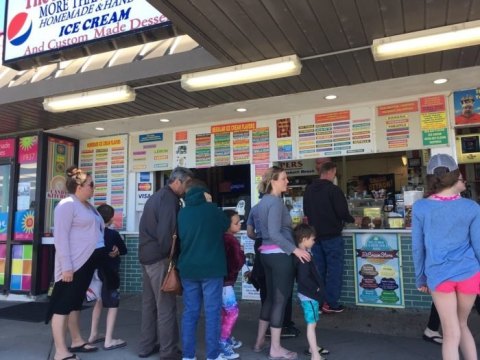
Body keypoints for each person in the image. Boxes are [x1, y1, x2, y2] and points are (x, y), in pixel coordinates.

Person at [412, 153, 480, 360]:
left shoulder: (420, 207)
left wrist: (420, 277)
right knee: (462, 325)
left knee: (451, 334)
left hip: (439, 275)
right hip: (469, 273)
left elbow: (418, 247)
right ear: (456, 175)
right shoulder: (472, 207)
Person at [46, 166, 105, 360]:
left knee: (74, 305)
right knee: (62, 306)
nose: (93, 188)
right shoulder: (67, 204)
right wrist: (67, 267)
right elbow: (60, 238)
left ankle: (77, 340)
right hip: (73, 265)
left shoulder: (87, 205)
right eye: (90, 184)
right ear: (79, 186)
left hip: (86, 264)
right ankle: (61, 352)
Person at [252, 166, 310, 360]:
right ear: (273, 181)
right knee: (280, 301)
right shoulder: (276, 203)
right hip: (279, 257)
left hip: (266, 255)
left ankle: (260, 341)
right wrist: (296, 250)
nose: (287, 181)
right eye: (284, 178)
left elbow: (267, 232)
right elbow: (276, 233)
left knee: (269, 299)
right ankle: (275, 348)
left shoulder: (262, 203)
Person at [138, 167, 193, 359]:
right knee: (166, 307)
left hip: (146, 257)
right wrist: (171, 258)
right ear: (177, 182)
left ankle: (146, 346)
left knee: (149, 305)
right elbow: (166, 234)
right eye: (186, 184)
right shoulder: (170, 200)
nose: (187, 189)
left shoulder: (156, 196)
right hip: (160, 259)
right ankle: (168, 351)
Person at [177, 180, 231, 360]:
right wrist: (211, 204)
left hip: (188, 269)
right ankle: (213, 355)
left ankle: (188, 355)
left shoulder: (182, 213)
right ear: (205, 193)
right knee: (212, 312)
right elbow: (226, 225)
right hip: (211, 269)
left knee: (190, 312)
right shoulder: (211, 210)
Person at [303, 161, 354, 313]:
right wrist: (352, 220)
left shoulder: (309, 190)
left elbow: (306, 211)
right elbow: (343, 213)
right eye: (334, 173)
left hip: (315, 238)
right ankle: (331, 303)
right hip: (332, 237)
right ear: (331, 172)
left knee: (319, 271)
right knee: (334, 270)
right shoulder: (334, 190)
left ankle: (318, 303)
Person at [247, 202, 300, 338]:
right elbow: (279, 232)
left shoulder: (255, 209)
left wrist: (260, 237)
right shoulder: (279, 207)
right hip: (279, 248)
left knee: (266, 289)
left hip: (262, 247)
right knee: (283, 291)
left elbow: (249, 233)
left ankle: (265, 331)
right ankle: (283, 325)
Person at [88, 204, 128, 351]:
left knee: (99, 301)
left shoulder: (91, 232)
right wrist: (117, 251)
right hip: (110, 273)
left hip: (95, 273)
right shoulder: (113, 234)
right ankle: (109, 340)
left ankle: (93, 335)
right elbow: (124, 250)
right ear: (111, 219)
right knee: (112, 305)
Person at [293, 224, 330, 360]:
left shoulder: (304, 254)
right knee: (311, 324)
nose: (314, 241)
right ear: (304, 239)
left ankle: (312, 347)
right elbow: (303, 278)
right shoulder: (303, 258)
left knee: (312, 322)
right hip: (309, 295)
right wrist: (316, 288)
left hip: (307, 295)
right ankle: (315, 354)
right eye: (312, 239)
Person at [219, 209, 246, 359]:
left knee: (225, 312)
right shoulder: (231, 240)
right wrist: (241, 253)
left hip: (221, 281)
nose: (240, 225)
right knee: (232, 312)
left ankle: (226, 337)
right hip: (226, 283)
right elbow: (236, 264)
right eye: (236, 223)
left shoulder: (222, 238)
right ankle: (222, 342)